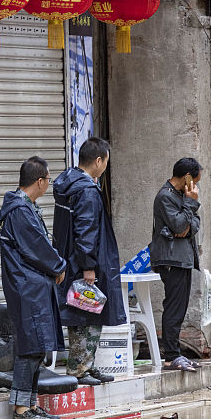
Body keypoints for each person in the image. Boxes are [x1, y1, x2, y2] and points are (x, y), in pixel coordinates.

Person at [0, 156, 67, 419]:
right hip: (27, 288)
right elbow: (37, 247)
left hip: (33, 286)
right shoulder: (19, 210)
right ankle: (22, 410)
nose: (48, 184)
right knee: (29, 348)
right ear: (40, 181)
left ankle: (31, 405)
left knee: (36, 348)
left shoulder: (24, 206)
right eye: (48, 179)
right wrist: (59, 265)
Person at [53, 137, 124, 385]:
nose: (106, 166)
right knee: (83, 315)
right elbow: (86, 231)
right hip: (84, 263)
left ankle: (87, 365)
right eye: (105, 161)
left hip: (70, 259)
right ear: (97, 161)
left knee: (89, 313)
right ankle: (78, 369)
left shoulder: (68, 183)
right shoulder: (86, 191)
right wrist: (89, 267)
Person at [152, 157, 204, 372]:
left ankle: (175, 354)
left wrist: (186, 219)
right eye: (196, 181)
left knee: (179, 308)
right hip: (171, 259)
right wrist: (190, 205)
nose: (197, 187)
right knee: (173, 308)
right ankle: (171, 356)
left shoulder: (180, 196)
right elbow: (180, 224)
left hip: (182, 258)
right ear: (187, 178)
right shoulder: (165, 197)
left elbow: (192, 224)